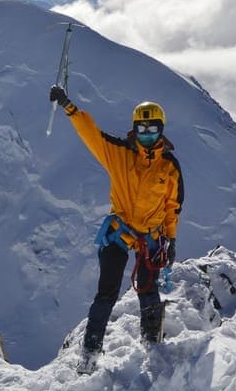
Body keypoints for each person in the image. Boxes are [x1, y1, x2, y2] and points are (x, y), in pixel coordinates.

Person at [49, 84, 184, 370]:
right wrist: (69, 107)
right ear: (134, 130)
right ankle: (90, 350)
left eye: (153, 130)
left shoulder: (169, 167)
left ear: (161, 131)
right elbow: (92, 135)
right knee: (107, 291)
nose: (147, 136)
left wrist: (170, 240)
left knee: (148, 289)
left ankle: (151, 340)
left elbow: (173, 207)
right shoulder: (119, 154)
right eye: (143, 130)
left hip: (152, 237)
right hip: (119, 232)